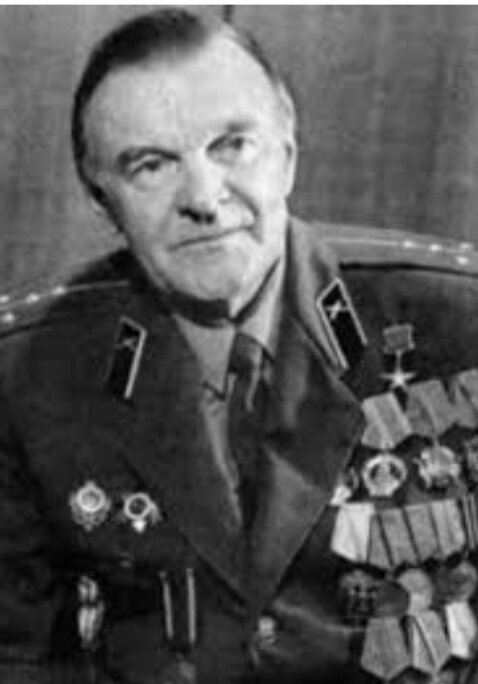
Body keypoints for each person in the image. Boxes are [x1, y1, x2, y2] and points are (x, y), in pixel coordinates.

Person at [1, 7, 478, 684]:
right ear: (103, 202)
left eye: (232, 145)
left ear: (287, 155)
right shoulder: (31, 373)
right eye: (150, 165)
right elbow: (19, 657)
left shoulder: (456, 328)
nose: (203, 196)